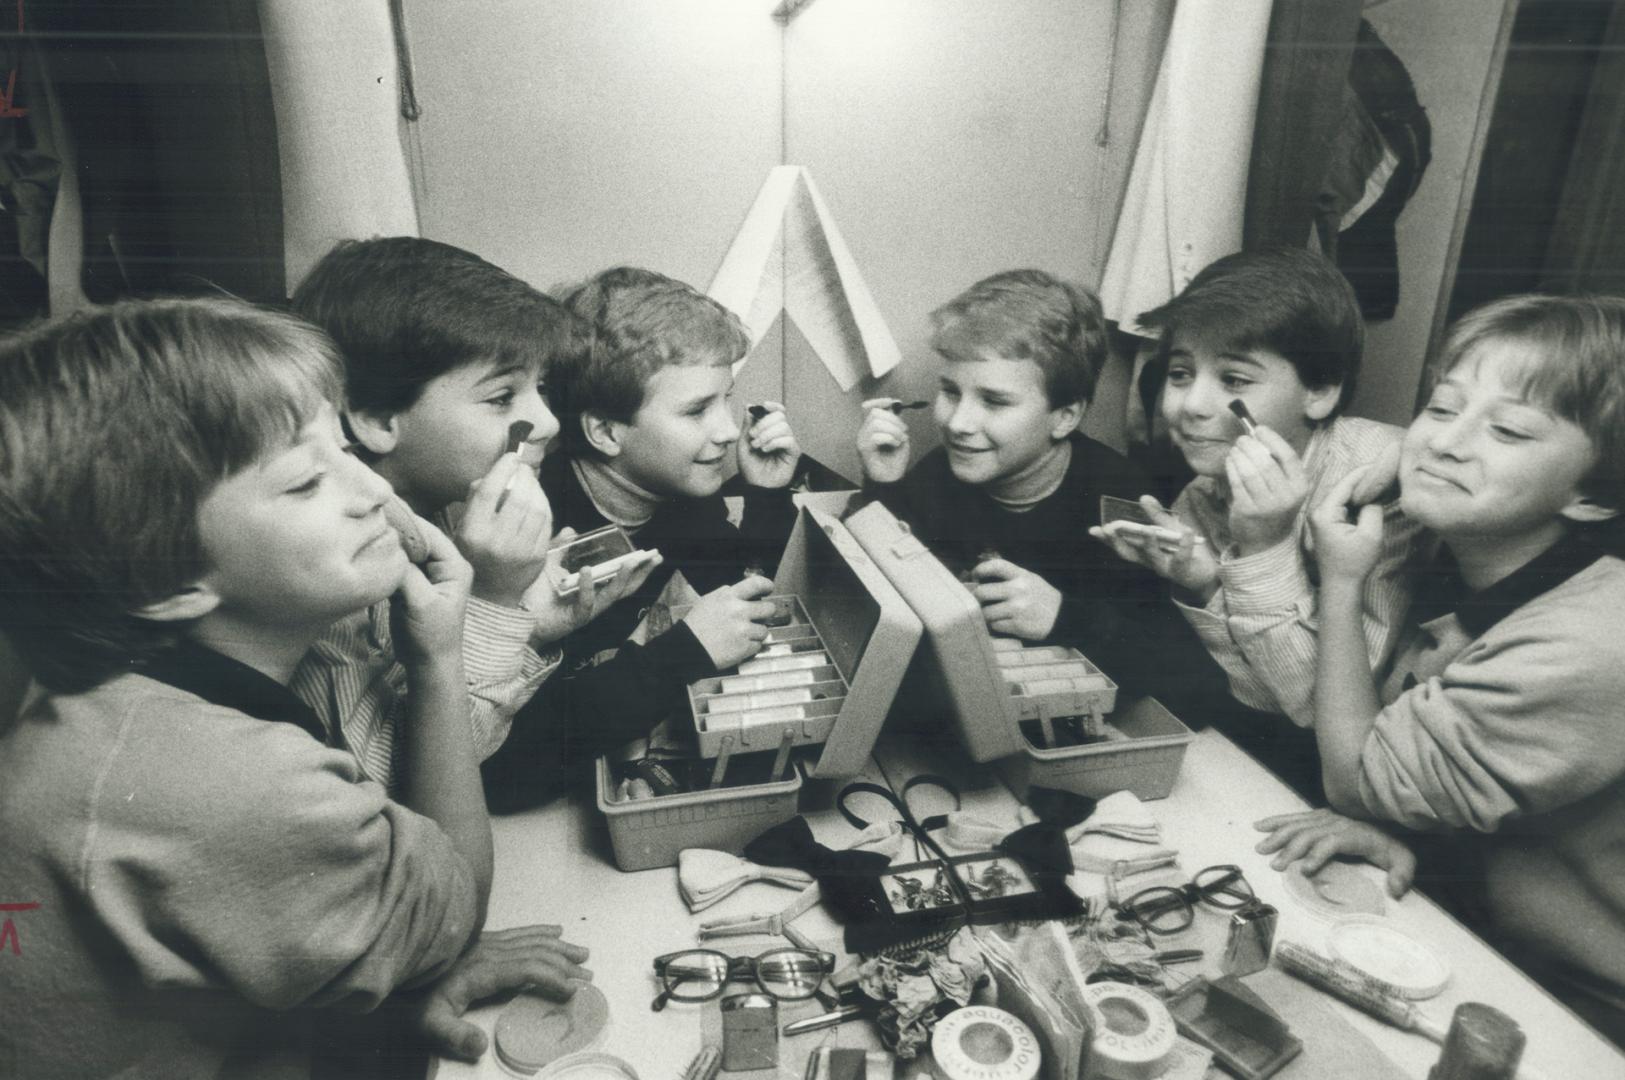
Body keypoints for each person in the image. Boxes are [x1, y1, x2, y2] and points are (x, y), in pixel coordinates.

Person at [0, 298, 590, 1076]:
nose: (372, 490)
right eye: (306, 480)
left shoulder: (118, 700)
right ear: (166, 580)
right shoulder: (230, 778)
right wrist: (439, 658)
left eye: (341, 445)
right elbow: (451, 914)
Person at [1259, 294, 1625, 1045]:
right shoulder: (1473, 560)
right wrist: (1419, 844)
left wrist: (1340, 580)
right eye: (1441, 406)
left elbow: (1355, 776)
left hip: (1589, 1010)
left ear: (1590, 497)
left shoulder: (1588, 640)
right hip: (1497, 936)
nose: (1443, 444)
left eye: (1508, 430)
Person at [291, 237, 657, 792]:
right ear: (377, 418)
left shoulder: (441, 512)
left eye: (539, 388)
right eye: (501, 397)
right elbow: (408, 783)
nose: (548, 422)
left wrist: (527, 628)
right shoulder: (335, 580)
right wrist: (492, 601)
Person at [1092, 248, 1424, 795]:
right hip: (1275, 758)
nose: (1191, 404)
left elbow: (1320, 710)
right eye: (1180, 373)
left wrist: (1265, 547)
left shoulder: (1381, 487)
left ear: (1320, 392)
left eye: (1234, 380)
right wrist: (1204, 582)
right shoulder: (1199, 497)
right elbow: (1266, 695)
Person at [483, 265, 801, 810]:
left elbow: (748, 607)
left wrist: (767, 498)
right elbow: (503, 770)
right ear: (605, 431)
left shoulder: (682, 498)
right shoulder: (522, 529)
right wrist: (684, 655)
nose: (727, 430)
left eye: (727, 399)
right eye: (698, 409)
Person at [855, 269, 1233, 719]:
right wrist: (883, 486)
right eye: (951, 392)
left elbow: (1197, 688)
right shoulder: (937, 474)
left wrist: (1063, 617)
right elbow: (872, 613)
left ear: (1065, 417)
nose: (958, 422)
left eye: (994, 402)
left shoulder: (1121, 500)